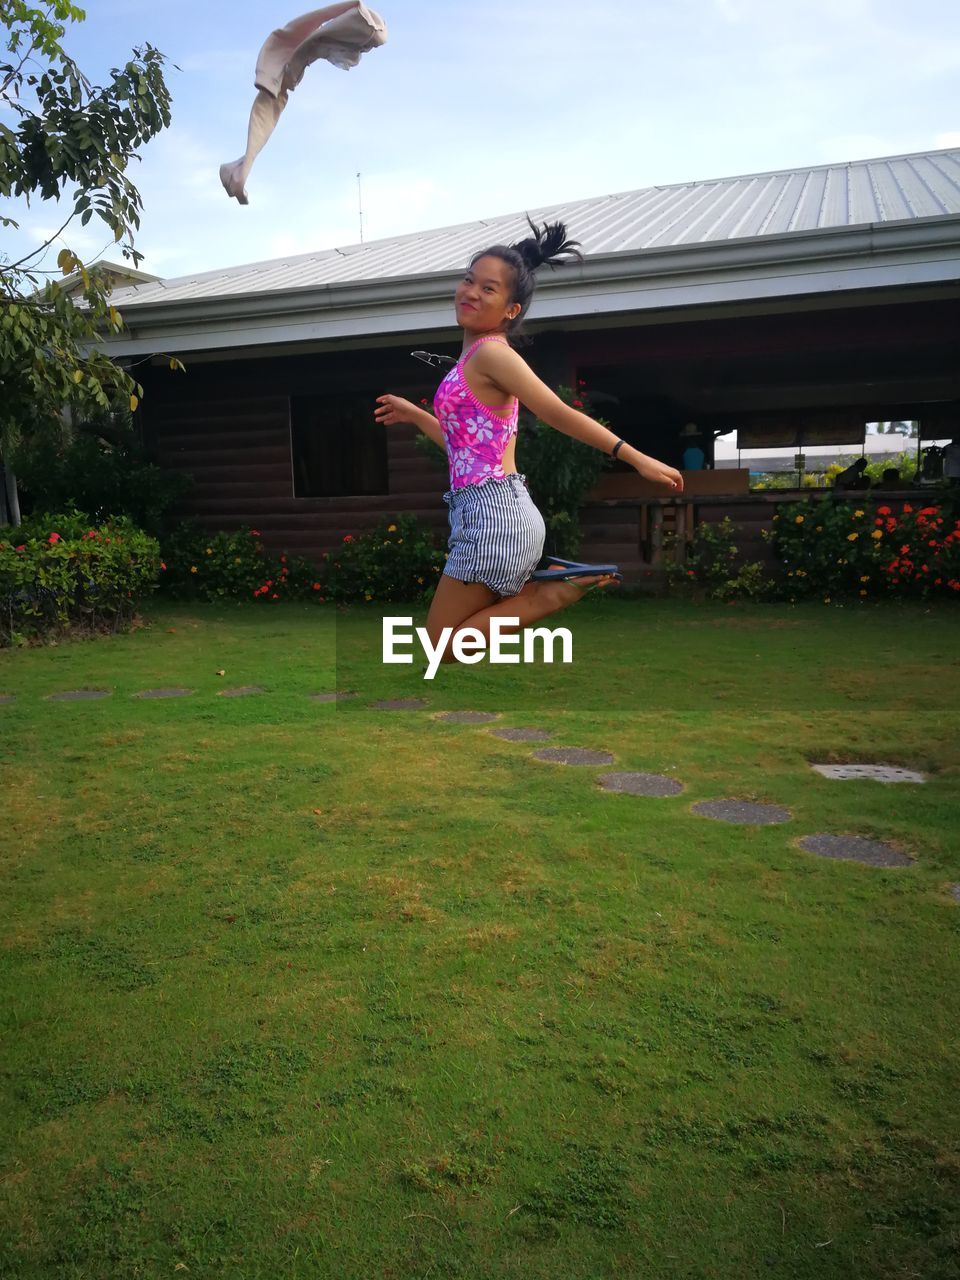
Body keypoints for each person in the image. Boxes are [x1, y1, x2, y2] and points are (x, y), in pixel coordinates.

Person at [374, 217, 683, 665]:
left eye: (488, 289)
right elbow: (467, 451)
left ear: (511, 309)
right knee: (444, 647)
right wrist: (418, 416)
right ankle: (555, 587)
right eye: (468, 280)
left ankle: (556, 592)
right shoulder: (473, 359)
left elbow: (556, 411)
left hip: (493, 516)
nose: (471, 293)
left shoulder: (493, 354)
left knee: (441, 648)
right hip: (489, 511)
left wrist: (634, 457)